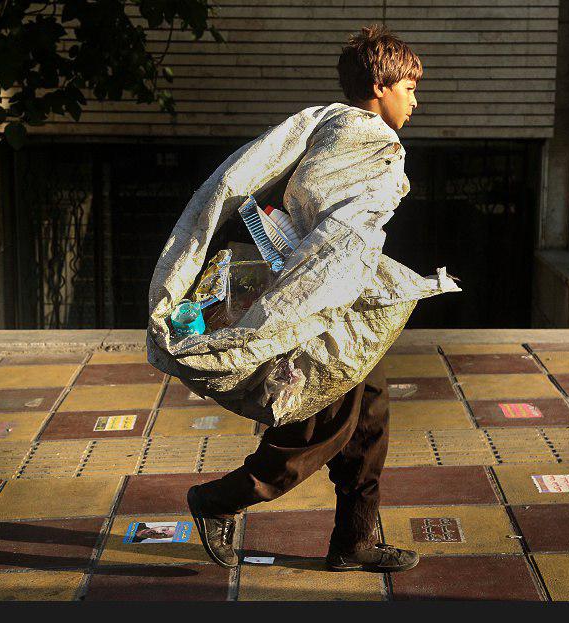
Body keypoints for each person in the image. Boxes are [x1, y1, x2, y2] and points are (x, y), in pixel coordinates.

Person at [186, 24, 422, 573]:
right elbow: (337, 231)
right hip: (331, 310)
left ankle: (354, 541)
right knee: (319, 429)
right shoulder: (373, 143)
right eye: (409, 86)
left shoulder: (330, 130)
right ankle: (218, 501)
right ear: (383, 85)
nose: (415, 99)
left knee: (369, 426)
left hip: (352, 305)